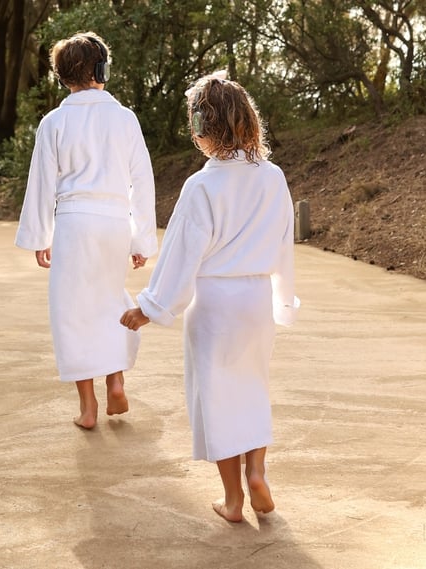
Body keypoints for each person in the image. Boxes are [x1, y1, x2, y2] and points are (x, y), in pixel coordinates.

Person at [120, 73, 299, 522]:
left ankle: (234, 498)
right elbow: (284, 244)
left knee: (216, 398)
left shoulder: (202, 186)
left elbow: (183, 254)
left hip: (215, 303)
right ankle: (258, 471)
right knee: (253, 390)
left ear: (203, 127)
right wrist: (284, 300)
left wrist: (150, 307)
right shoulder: (273, 178)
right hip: (255, 300)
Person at [15, 32, 157, 430]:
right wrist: (141, 238)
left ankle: (88, 407)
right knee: (112, 301)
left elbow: (41, 182)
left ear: (62, 77)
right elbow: (142, 181)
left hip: (73, 224)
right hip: (114, 222)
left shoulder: (54, 122)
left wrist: (40, 236)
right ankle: (116, 381)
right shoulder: (125, 118)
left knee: (72, 312)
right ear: (102, 70)